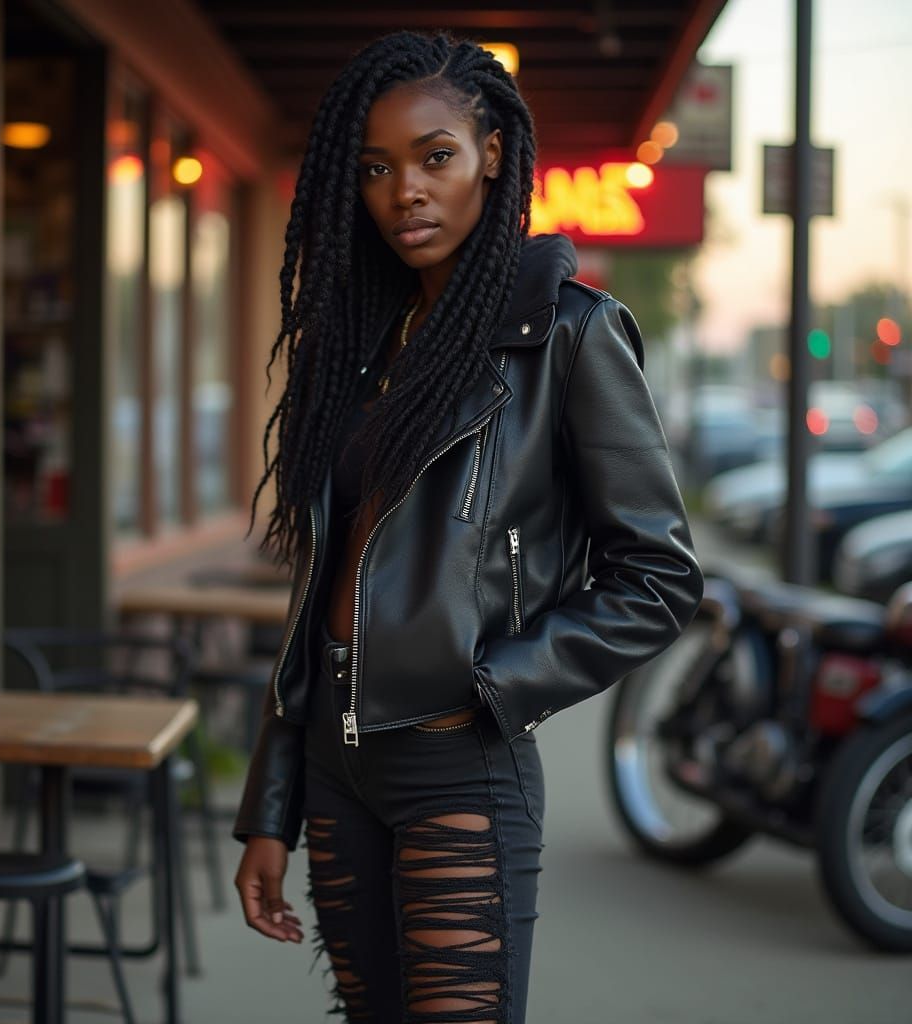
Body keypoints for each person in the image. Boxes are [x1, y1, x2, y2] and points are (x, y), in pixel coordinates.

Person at [232, 29, 704, 1024]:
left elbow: (657, 577)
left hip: (457, 763)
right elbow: (317, 588)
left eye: (433, 156)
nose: (406, 191)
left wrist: (494, 685)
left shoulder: (566, 335)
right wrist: (270, 804)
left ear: (492, 152)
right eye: (375, 168)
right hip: (333, 764)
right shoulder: (355, 350)